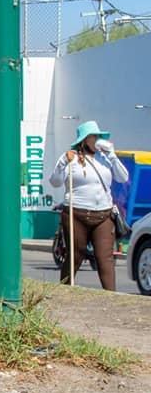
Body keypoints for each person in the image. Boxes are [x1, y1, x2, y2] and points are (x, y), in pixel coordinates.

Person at [48, 120, 128, 290]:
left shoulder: (105, 158)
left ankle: (111, 296)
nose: (97, 140)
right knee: (76, 254)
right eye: (93, 136)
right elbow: (54, 182)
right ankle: (65, 289)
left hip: (103, 215)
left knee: (105, 257)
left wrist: (113, 156)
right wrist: (63, 163)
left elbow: (123, 178)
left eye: (98, 136)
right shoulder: (70, 158)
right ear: (84, 140)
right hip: (76, 214)